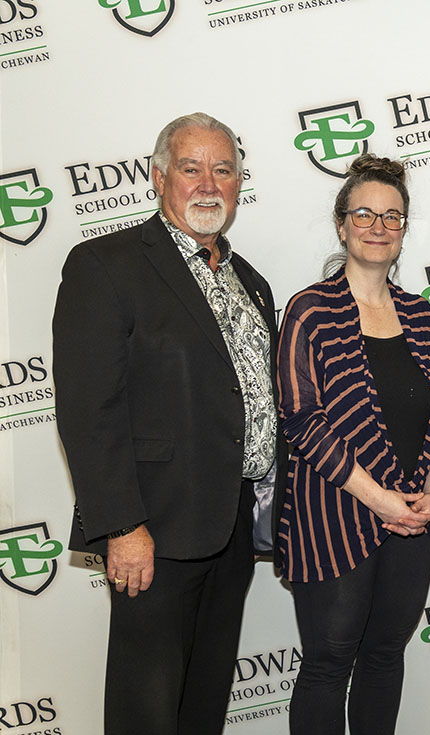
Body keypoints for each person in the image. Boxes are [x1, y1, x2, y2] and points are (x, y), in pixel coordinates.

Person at [53, 112, 283, 734]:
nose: (209, 183)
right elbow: (86, 409)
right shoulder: (107, 265)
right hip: (152, 529)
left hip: (231, 526)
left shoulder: (249, 282)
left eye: (224, 169)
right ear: (158, 178)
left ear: (239, 183)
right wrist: (123, 525)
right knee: (146, 710)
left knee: (203, 702)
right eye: (191, 168)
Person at [276, 154, 430, 735]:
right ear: (341, 223)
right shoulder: (310, 310)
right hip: (333, 516)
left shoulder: (421, 315)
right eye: (365, 215)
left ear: (404, 229)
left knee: (385, 656)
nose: (378, 227)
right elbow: (302, 421)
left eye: (392, 217)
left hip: (414, 519)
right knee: (328, 663)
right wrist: (380, 500)